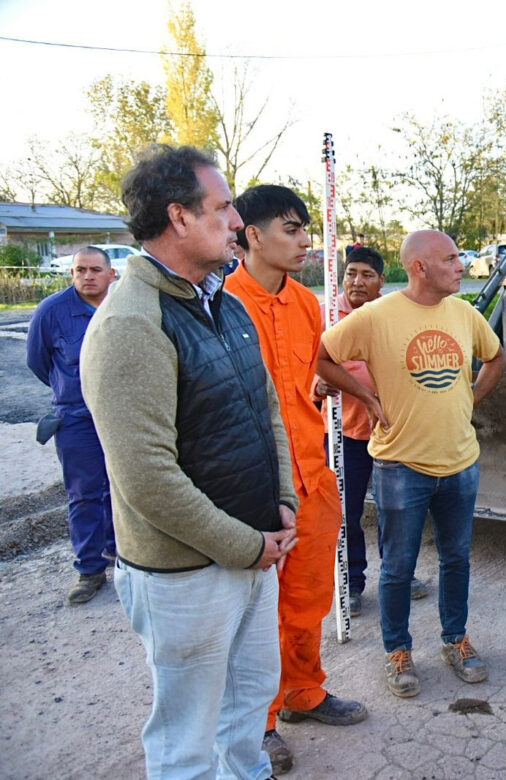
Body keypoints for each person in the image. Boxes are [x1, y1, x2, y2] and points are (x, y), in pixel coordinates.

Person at [80, 145, 298, 778]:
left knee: (247, 710)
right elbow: (146, 477)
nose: (237, 222)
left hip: (256, 546)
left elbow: (269, 411)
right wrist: (244, 544)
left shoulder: (224, 304)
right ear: (179, 217)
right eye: (224, 207)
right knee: (187, 740)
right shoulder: (130, 322)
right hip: (187, 573)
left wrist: (281, 500)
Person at [317, 229, 506, 699]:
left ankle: (455, 639)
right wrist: (365, 395)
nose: (461, 266)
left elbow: (497, 357)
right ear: (420, 267)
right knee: (398, 567)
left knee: (457, 558)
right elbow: (323, 357)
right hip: (401, 467)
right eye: (450, 259)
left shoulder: (464, 312)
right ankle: (397, 650)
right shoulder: (377, 316)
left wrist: (471, 398)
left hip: (461, 463)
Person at [224, 185, 368, 774]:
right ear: (252, 235)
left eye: (307, 228)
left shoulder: (308, 304)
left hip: (310, 474)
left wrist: (367, 393)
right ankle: (256, 725)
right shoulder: (221, 303)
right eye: (291, 228)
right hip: (251, 485)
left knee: (308, 596)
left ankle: (303, 692)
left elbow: (320, 366)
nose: (306, 240)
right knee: (254, 610)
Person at [314, 247, 428, 617]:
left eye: (366, 275)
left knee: (395, 512)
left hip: (393, 433)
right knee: (345, 514)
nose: (356, 281)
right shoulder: (326, 315)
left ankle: (400, 576)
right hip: (345, 432)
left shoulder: (394, 313)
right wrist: (315, 384)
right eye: (351, 273)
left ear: (381, 280)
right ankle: (352, 583)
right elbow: (307, 362)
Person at [26, 246, 116, 604]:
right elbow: (38, 362)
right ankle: (90, 569)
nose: (87, 276)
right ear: (73, 273)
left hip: (122, 415)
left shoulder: (123, 306)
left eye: (95, 269)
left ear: (112, 275)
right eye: (80, 270)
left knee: (123, 488)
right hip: (77, 419)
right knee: (84, 494)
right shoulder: (52, 311)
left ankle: (121, 554)